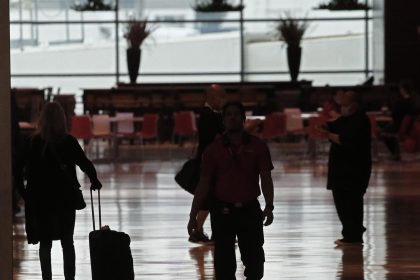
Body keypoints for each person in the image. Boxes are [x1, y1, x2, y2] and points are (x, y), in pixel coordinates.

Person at [188, 101, 274, 279]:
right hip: (222, 212)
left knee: (255, 262)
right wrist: (193, 215)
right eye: (228, 114)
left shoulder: (258, 146)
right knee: (224, 265)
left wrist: (269, 206)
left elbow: (266, 178)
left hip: (250, 210)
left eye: (236, 114)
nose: (232, 117)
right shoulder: (213, 150)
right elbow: (203, 184)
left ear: (243, 118)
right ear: (223, 120)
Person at [16, 102, 102, 280]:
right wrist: (95, 181)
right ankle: (69, 278)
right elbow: (85, 163)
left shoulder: (33, 142)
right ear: (62, 119)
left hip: (40, 199)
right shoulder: (68, 141)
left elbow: (17, 169)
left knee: (45, 243)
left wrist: (24, 194)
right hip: (64, 199)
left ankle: (46, 278)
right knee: (67, 242)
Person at [317, 90, 371, 246]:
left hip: (353, 170)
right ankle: (350, 233)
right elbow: (335, 124)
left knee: (351, 203)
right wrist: (325, 125)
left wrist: (327, 134)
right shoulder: (347, 119)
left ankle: (353, 235)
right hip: (341, 170)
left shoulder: (360, 120)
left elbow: (346, 140)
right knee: (343, 202)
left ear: (354, 105)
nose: (342, 107)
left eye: (345, 104)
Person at [188, 84, 226, 244]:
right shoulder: (207, 115)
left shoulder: (211, 114)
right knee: (208, 198)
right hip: (208, 163)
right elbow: (216, 137)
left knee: (208, 199)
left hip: (210, 162)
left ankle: (199, 229)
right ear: (211, 97)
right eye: (221, 97)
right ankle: (200, 230)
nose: (223, 100)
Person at [383, 81, 417, 160]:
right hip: (410, 127)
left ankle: (395, 154)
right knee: (388, 128)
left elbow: (393, 115)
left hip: (398, 127)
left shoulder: (400, 103)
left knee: (383, 132)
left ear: (403, 90)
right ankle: (396, 153)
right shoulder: (414, 102)